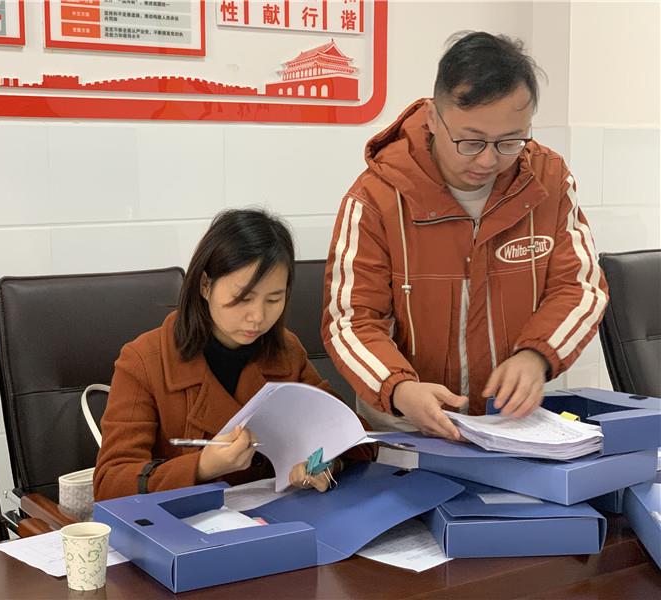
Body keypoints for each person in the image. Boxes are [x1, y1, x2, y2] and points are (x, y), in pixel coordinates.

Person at [321, 31, 608, 440]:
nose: (488, 160)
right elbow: (350, 321)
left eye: (510, 141)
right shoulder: (377, 197)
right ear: (433, 118)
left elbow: (580, 288)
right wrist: (399, 388)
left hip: (510, 423)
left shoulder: (548, 180)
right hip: (406, 426)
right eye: (470, 142)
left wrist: (536, 355)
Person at [95, 208, 373, 500]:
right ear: (205, 286)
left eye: (274, 299)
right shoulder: (145, 360)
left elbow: (354, 436)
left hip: (275, 516)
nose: (258, 317)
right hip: (187, 523)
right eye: (242, 299)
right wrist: (201, 467)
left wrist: (325, 464)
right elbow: (110, 484)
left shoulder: (286, 351)